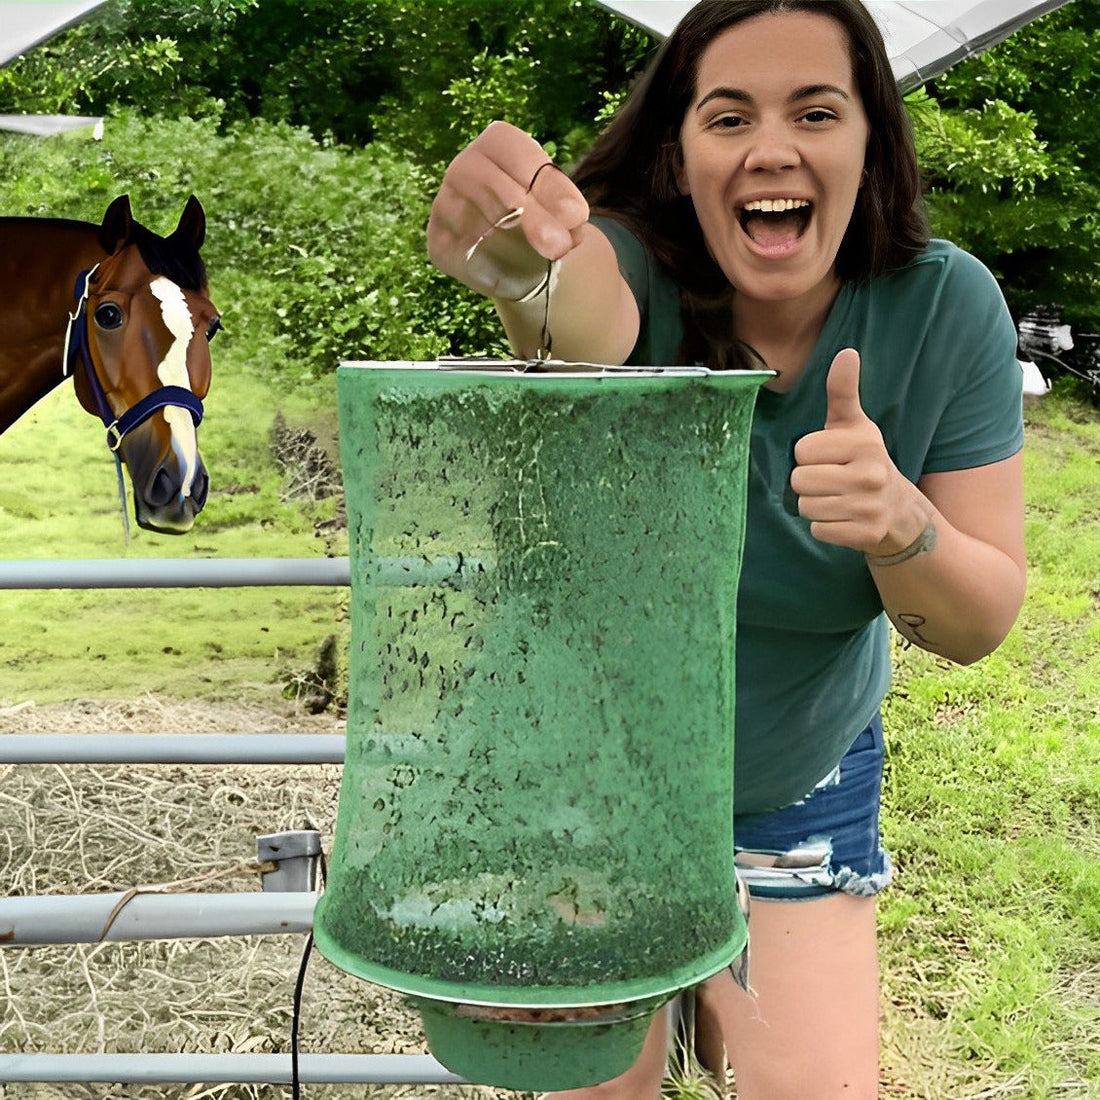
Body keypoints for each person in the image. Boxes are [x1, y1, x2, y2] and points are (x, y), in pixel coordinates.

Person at [427, 1, 1027, 1096]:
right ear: (681, 151)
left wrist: (901, 527)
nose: (769, 147)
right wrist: (525, 272)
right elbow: (579, 322)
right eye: (726, 115)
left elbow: (979, 617)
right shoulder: (633, 267)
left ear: (867, 141)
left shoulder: (946, 307)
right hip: (584, 776)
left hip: (801, 775)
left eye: (814, 109)